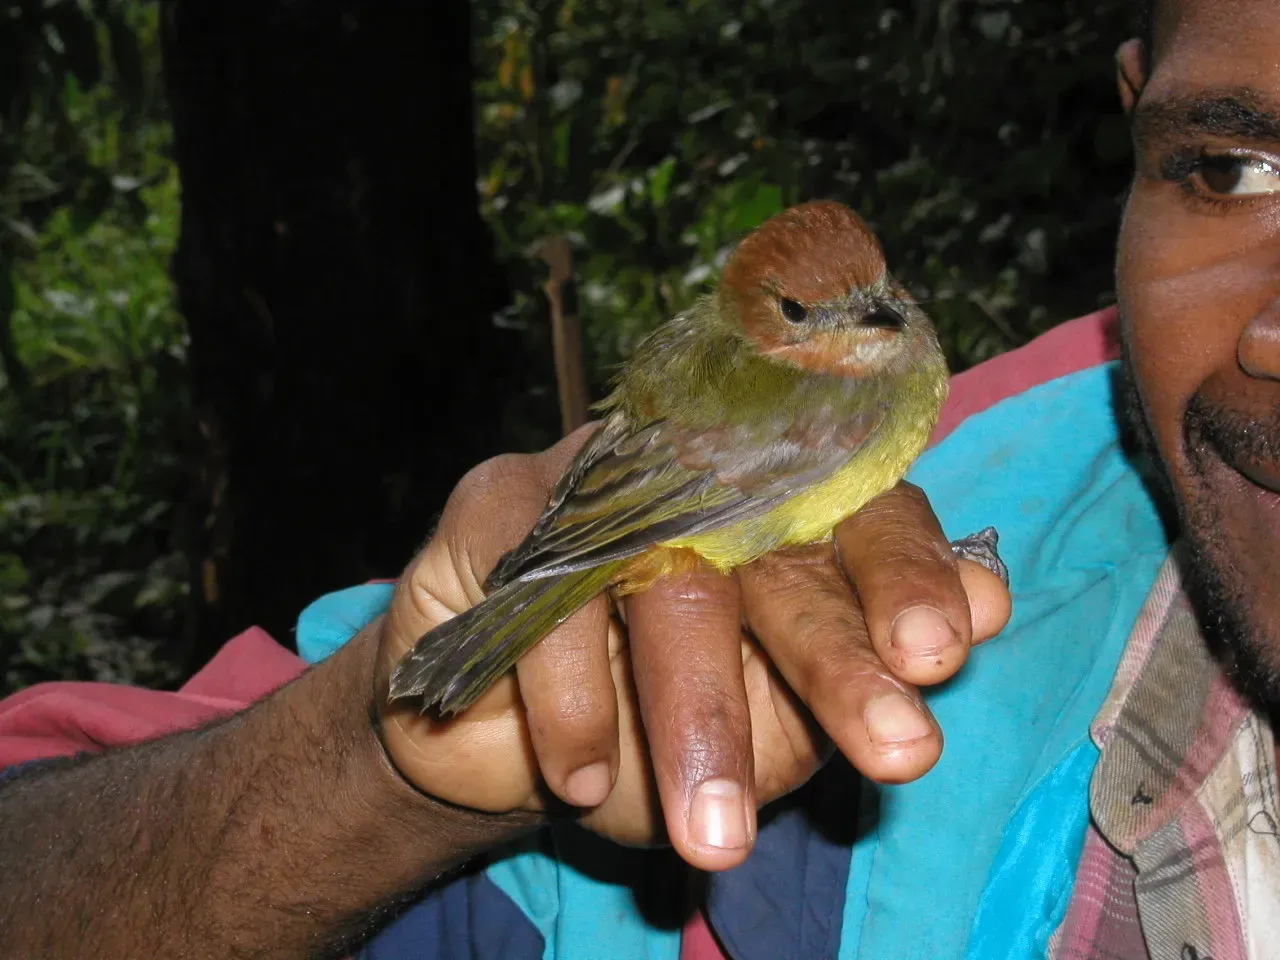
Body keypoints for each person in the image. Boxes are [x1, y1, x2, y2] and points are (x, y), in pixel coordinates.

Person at [1, 1, 1275, 957]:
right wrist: (378, 777)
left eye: (882, 297)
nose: (880, 326)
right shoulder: (929, 425)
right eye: (1234, 167)